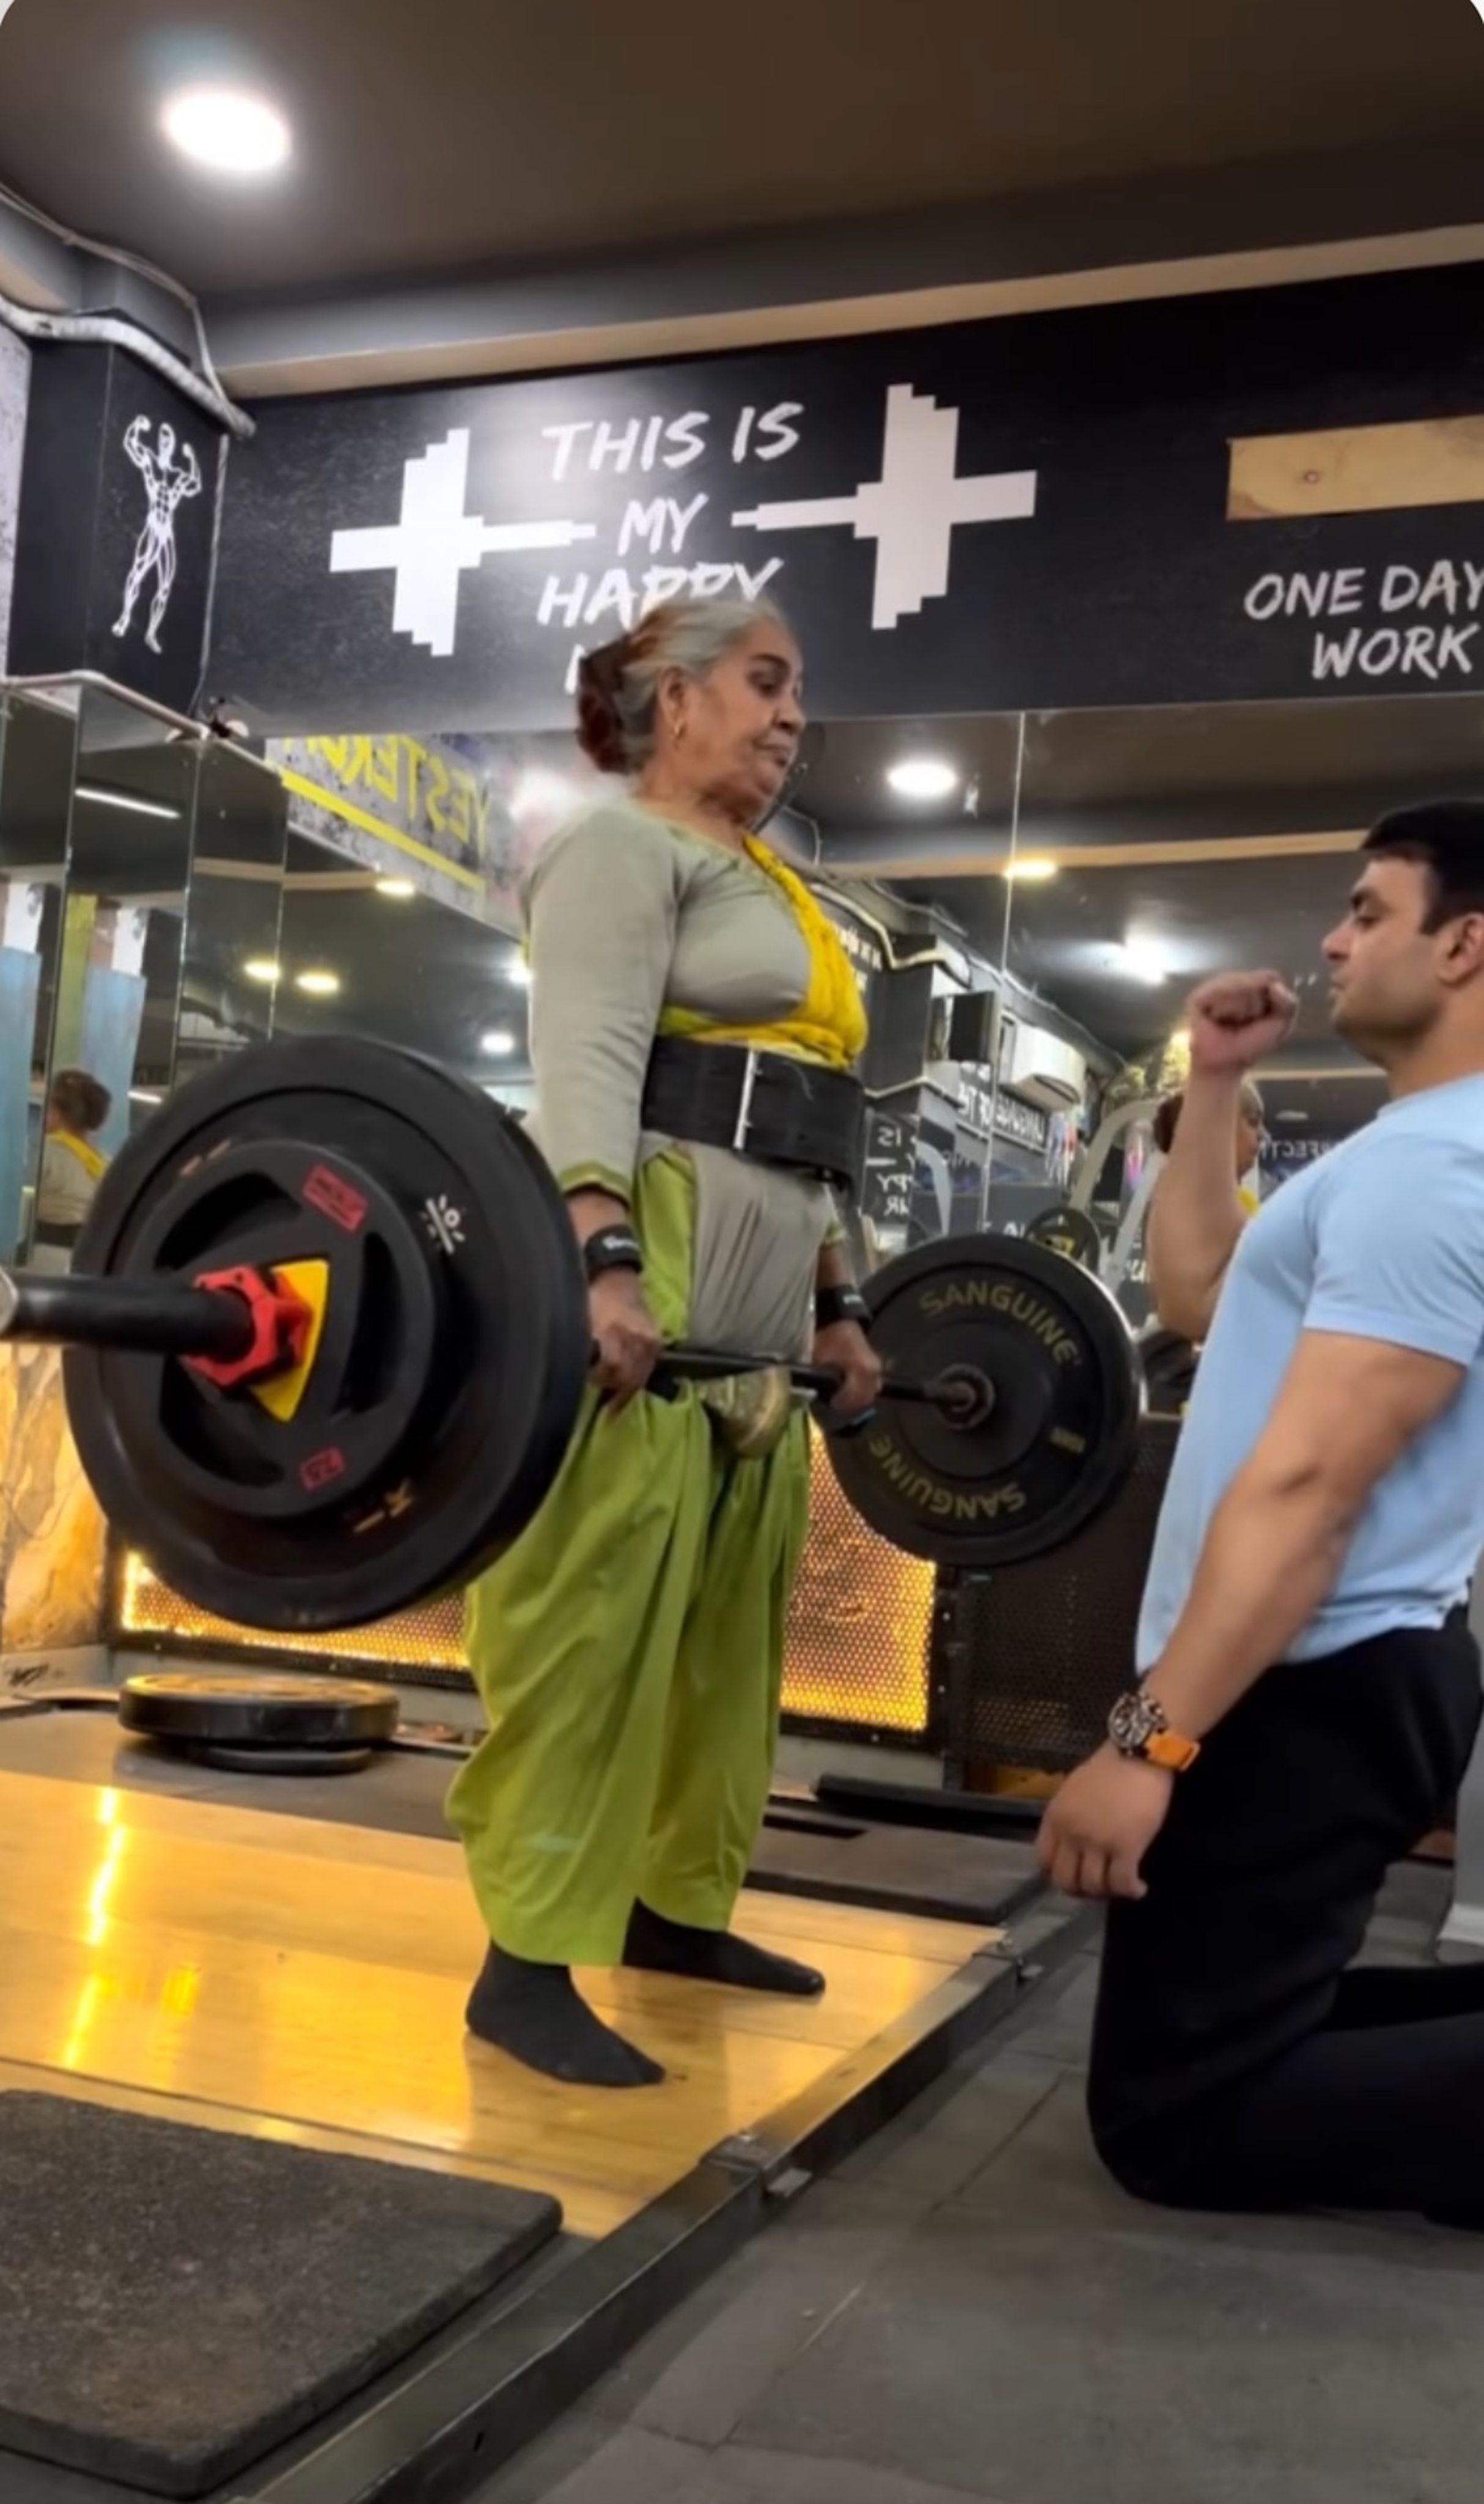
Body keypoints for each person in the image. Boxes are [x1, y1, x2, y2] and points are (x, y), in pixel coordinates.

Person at [446, 597, 881, 2090]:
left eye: (794, 690)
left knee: (723, 1615)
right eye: (763, 682)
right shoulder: (619, 848)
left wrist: (839, 1300)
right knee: (601, 1597)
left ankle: (670, 1910)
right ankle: (522, 1958)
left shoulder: (766, 878)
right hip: (662, 1236)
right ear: (667, 696)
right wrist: (601, 1261)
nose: (786, 715)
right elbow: (586, 1061)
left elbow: (813, 1122)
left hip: (764, 1258)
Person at [1038, 798, 1484, 2225]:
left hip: (1308, 1669)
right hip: (1313, 1666)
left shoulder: (1437, 1169)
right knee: (1206, 2050)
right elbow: (1195, 1299)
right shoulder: (1400, 1148)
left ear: (1462, 944)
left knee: (1179, 2128)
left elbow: (1308, 1488)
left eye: (1366, 910)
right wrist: (1212, 1083)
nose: (1330, 938)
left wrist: (1146, 1736)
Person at [32, 1068, 111, 1274]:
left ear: (56, 1112)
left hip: (40, 1258)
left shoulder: (44, 1153)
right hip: (86, 1261)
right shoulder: (103, 1163)